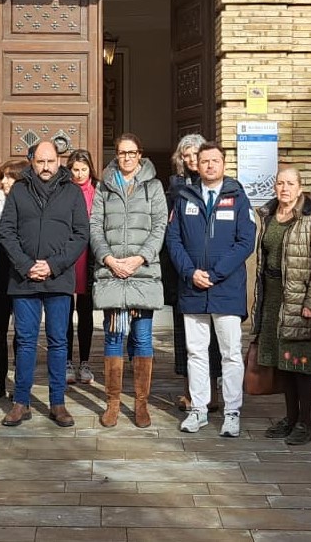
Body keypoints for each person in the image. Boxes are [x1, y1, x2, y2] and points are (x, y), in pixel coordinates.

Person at [165, 142, 255, 437]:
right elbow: (173, 240)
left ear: (224, 164)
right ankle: (198, 409)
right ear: (197, 165)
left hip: (226, 289)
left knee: (230, 353)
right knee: (196, 353)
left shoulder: (238, 197)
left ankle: (232, 411)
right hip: (193, 289)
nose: (209, 165)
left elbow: (245, 242)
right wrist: (190, 272)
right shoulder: (184, 197)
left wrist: (215, 274)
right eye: (204, 161)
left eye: (215, 161)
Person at [0, 141, 89, 427]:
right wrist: (26, 265)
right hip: (24, 279)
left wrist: (53, 265)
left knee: (58, 341)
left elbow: (80, 234)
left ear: (59, 161)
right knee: (25, 341)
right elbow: (7, 232)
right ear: (32, 162)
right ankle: (21, 402)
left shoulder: (72, 191)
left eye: (51, 161)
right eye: (40, 162)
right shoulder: (19, 190)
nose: (46, 167)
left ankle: (58, 402)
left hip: (59, 278)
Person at [252, 167, 311, 445]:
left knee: (301, 364)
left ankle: (305, 422)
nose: (284, 188)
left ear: (300, 188)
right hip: (273, 297)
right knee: (282, 363)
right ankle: (289, 417)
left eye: (290, 183)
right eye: (279, 183)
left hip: (300, 300)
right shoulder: (269, 215)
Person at [90, 133, 168, 429]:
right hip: (112, 273)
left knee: (143, 337)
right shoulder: (105, 186)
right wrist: (109, 259)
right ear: (117, 155)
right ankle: (112, 402)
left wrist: (139, 259)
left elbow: (159, 226)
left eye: (131, 153)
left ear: (140, 154)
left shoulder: (154, 186)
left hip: (142, 273)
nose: (126, 158)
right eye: (121, 153)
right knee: (113, 338)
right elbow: (95, 225)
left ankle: (141, 403)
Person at [164, 134, 223, 413]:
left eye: (194, 154)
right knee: (185, 337)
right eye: (185, 155)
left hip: (213, 272)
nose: (190, 160)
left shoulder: (221, 186)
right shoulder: (176, 187)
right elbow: (171, 232)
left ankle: (213, 391)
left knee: (214, 337)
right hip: (183, 271)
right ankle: (190, 391)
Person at [0, 158, 28, 401]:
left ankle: (21, 384)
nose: (4, 181)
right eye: (2, 177)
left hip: (22, 276)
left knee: (23, 334)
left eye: (10, 176)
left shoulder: (30, 204)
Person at [65, 149, 97, 386]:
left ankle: (84, 361)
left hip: (90, 256)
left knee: (85, 311)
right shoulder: (63, 190)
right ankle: (66, 360)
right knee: (64, 311)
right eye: (75, 170)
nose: (79, 174)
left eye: (83, 170)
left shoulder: (98, 191)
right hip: (68, 256)